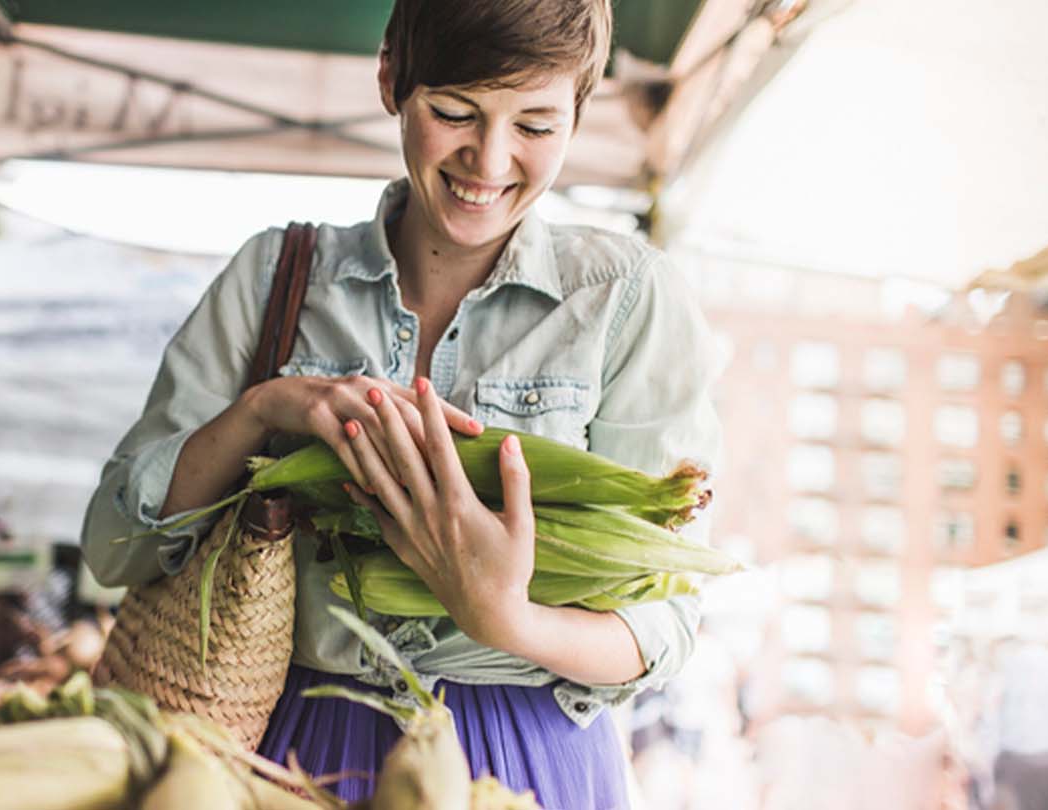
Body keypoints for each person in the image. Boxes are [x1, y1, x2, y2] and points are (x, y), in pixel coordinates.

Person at [82, 0, 721, 805]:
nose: (489, 160)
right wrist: (261, 411)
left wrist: (505, 620)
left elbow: (666, 625)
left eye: (536, 125)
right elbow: (115, 547)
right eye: (454, 112)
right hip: (285, 745)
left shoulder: (625, 301)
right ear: (392, 79)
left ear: (578, 113)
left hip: (521, 759)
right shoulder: (276, 276)